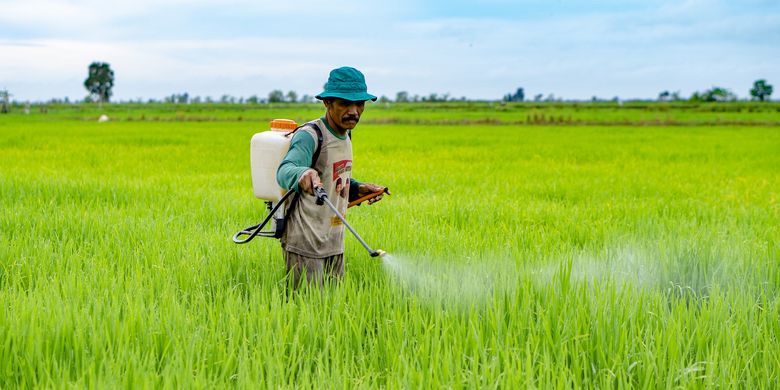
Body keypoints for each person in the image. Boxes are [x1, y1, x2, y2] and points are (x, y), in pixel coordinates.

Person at [276, 66, 385, 290]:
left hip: (335, 241)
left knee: (331, 311)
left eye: (359, 104)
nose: (354, 111)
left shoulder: (345, 134)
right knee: (306, 311)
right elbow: (285, 170)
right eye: (345, 103)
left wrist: (358, 188)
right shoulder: (310, 135)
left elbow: (331, 179)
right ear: (328, 103)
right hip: (306, 244)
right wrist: (303, 173)